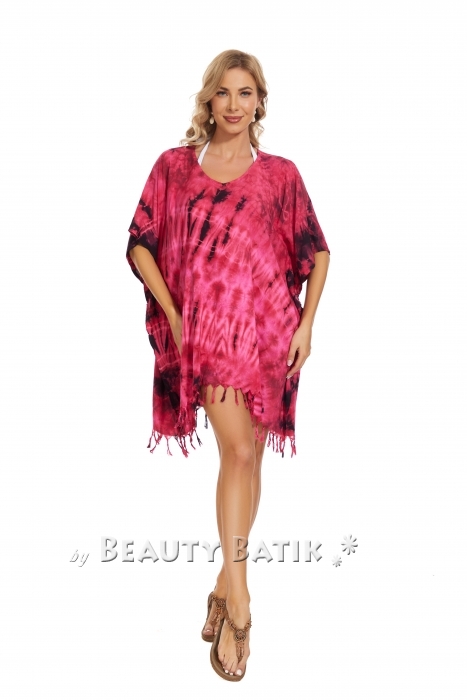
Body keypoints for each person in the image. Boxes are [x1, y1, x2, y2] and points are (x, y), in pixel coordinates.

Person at [126, 49, 330, 681]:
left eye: (246, 93)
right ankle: (240, 602)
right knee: (238, 453)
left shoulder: (280, 176)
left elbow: (318, 252)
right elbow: (140, 243)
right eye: (224, 93)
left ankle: (221, 583)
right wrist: (174, 313)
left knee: (250, 460)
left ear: (259, 101)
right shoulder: (174, 167)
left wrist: (307, 326)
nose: (235, 105)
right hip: (208, 336)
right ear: (209, 100)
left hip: (268, 336)